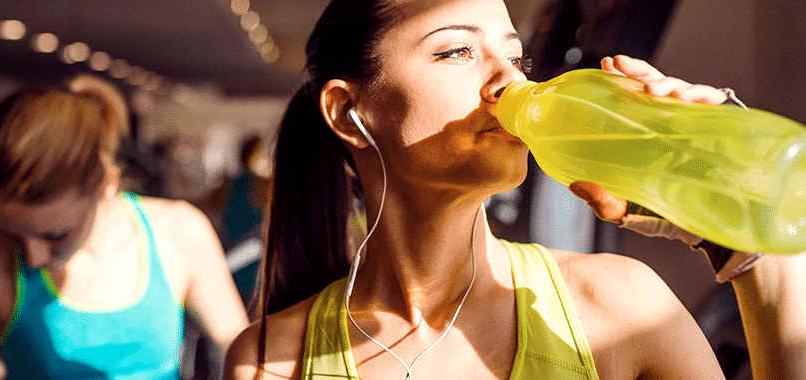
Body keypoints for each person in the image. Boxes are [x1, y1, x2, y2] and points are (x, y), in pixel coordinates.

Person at [223, 0, 806, 379]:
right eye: (457, 50)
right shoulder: (272, 359)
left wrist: (750, 245)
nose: (511, 81)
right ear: (350, 112)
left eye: (515, 55)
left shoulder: (617, 307)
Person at [0, 74, 249, 379]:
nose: (33, 257)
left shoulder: (179, 233)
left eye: (56, 234)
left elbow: (245, 356)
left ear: (105, 184)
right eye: (10, 232)